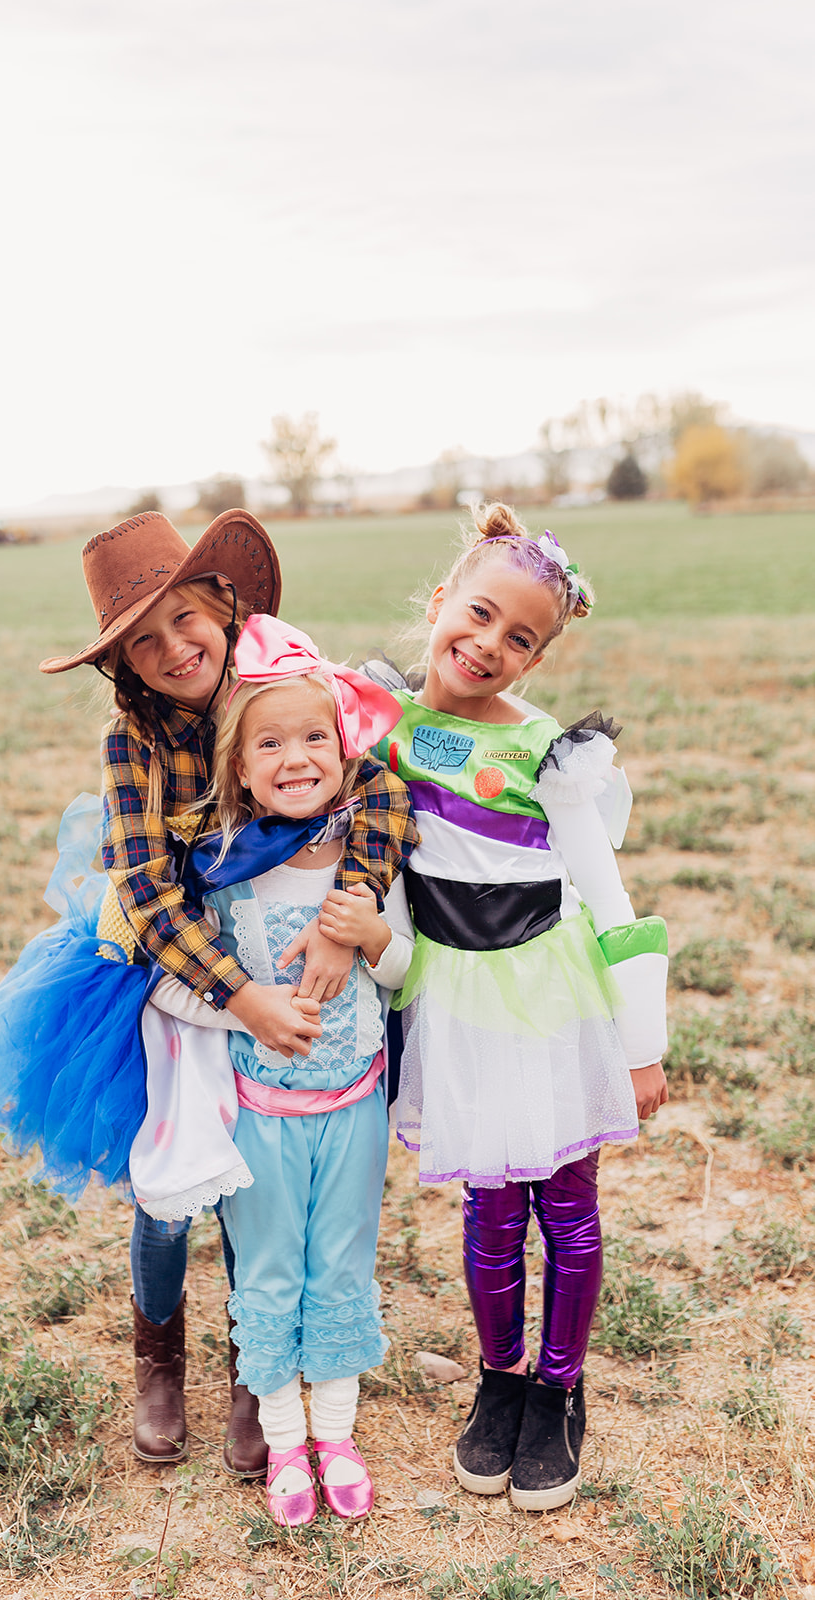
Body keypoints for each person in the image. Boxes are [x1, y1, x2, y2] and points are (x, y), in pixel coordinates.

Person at [0, 509, 418, 1480]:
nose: (175, 647)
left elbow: (380, 790)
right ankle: (158, 1360)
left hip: (285, 947)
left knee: (254, 1177)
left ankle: (256, 1370)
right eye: (144, 639)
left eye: (185, 618)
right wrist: (241, 999)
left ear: (222, 603)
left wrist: (353, 898)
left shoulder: (288, 687)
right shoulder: (131, 743)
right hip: (170, 976)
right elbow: (148, 894)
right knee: (172, 1179)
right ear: (121, 664)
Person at [367, 503, 668, 1513]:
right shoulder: (381, 725)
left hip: (550, 996)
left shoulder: (550, 755)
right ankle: (497, 1384)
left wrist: (640, 1046)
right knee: (489, 1204)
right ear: (441, 598)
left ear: (536, 658)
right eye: (479, 614)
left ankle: (558, 1389)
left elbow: (611, 899)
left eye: (520, 637)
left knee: (565, 1204)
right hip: (451, 998)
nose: (488, 645)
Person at [149, 614, 415, 1526]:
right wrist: (245, 1001)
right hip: (257, 1114)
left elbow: (405, 970)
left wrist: (367, 933)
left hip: (353, 1108)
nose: (295, 756)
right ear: (239, 766)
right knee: (266, 1274)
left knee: (339, 1264)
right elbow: (174, 990)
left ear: (344, 748)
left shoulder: (371, 859)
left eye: (314, 736)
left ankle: (334, 1434)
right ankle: (282, 1442)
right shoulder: (223, 872)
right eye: (270, 742)